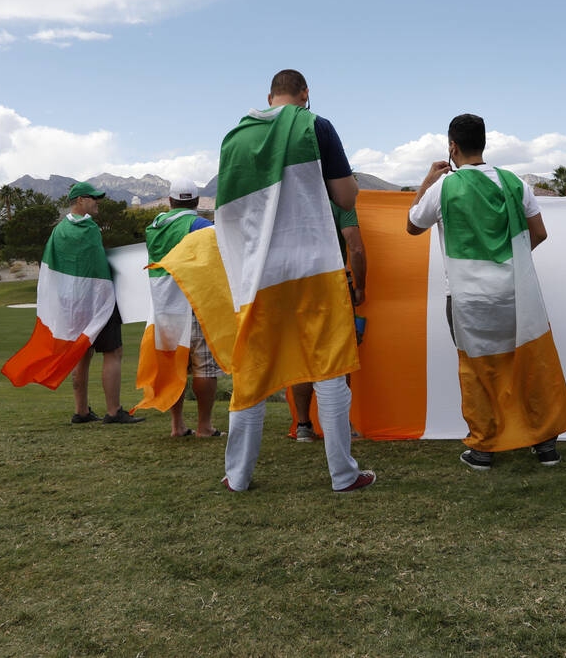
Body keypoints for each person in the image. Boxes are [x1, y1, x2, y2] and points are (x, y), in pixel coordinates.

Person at [216, 69, 374, 492]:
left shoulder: (235, 138)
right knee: (329, 367)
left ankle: (238, 476)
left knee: (251, 371)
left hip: (258, 271)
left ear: (269, 98)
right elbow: (344, 197)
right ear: (305, 94)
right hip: (313, 263)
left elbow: (229, 214)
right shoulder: (315, 124)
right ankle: (343, 474)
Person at [407, 113, 566, 470]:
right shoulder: (515, 183)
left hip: (468, 299)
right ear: (483, 143)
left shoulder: (443, 187)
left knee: (479, 369)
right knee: (528, 363)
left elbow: (412, 225)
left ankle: (484, 449)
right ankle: (545, 446)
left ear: (452, 146)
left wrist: (426, 181)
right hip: (518, 293)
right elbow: (539, 233)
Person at [142, 178, 224, 438]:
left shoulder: (153, 228)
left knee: (174, 364)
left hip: (163, 306)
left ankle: (177, 425)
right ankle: (204, 426)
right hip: (192, 301)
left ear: (170, 200)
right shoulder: (199, 224)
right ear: (197, 201)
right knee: (205, 366)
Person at [63, 182, 143, 425]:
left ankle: (81, 411)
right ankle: (113, 411)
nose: (97, 202)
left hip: (74, 302)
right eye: (93, 198)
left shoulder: (60, 230)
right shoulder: (89, 228)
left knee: (81, 353)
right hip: (98, 299)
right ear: (80, 200)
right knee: (113, 352)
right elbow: (98, 266)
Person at [291, 199, 368, 442]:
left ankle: (303, 425)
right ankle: (341, 426)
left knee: (303, 356)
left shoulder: (289, 197)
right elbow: (355, 247)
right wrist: (360, 286)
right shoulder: (340, 200)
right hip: (333, 282)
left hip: (293, 285)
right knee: (340, 355)